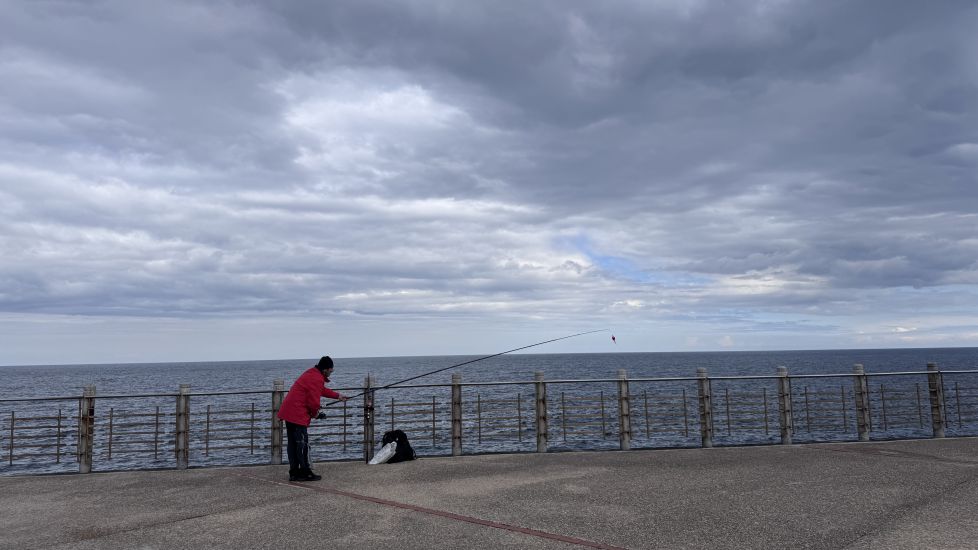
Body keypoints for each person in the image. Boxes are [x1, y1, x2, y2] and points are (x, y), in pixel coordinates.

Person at [277, 356, 348, 481]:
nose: (331, 373)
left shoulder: (312, 373)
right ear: (326, 369)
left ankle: (294, 472)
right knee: (302, 444)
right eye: (331, 371)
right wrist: (316, 414)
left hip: (289, 412)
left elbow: (320, 390)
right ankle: (306, 472)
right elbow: (314, 404)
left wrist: (338, 396)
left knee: (293, 444)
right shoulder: (316, 378)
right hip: (297, 414)